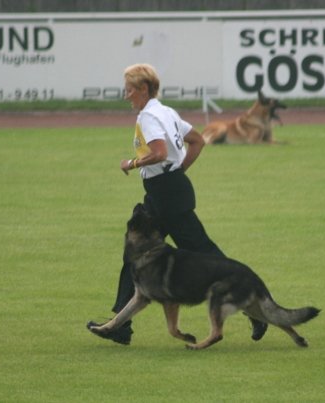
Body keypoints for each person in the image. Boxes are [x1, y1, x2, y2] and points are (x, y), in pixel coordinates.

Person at [87, 63, 267, 345]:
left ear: (144, 88)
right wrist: (177, 173)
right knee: (137, 254)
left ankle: (253, 309)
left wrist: (131, 163)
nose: (126, 95)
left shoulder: (149, 117)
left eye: (130, 90)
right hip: (166, 191)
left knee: (205, 255)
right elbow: (196, 141)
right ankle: (120, 326)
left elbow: (158, 152)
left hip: (166, 195)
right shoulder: (166, 111)